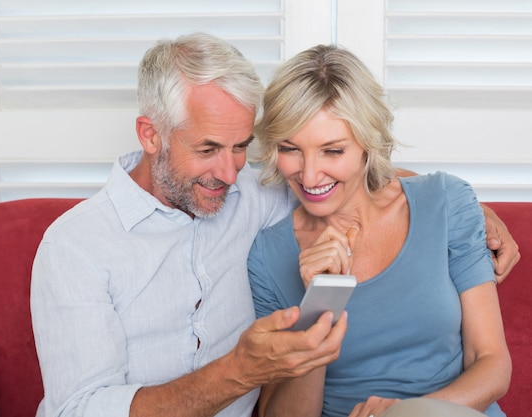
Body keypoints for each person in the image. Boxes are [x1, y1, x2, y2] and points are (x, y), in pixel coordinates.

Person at [31, 33, 518, 417]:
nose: (229, 172)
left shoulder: (248, 197)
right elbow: (80, 410)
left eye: (242, 146)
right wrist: (247, 365)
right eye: (207, 149)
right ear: (150, 135)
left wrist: (468, 209)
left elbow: (344, 176)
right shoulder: (76, 247)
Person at [248, 44, 512, 417]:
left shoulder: (445, 201)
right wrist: (320, 304)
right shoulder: (269, 254)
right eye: (291, 149)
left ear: (367, 145)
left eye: (332, 151)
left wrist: (413, 412)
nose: (308, 176)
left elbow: (492, 364)